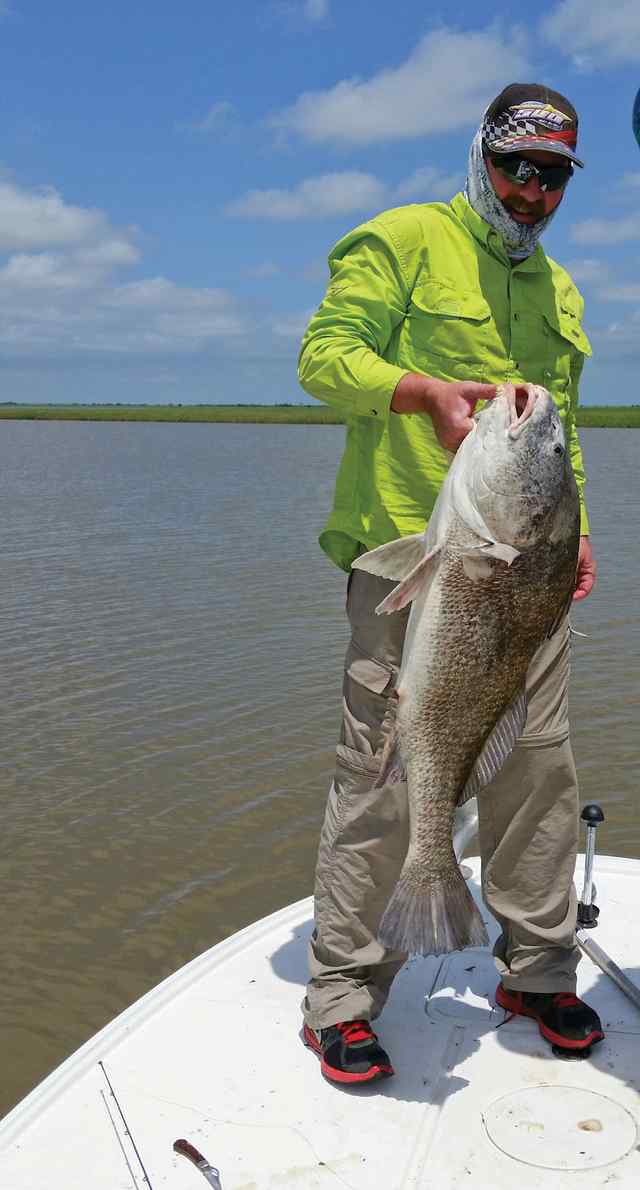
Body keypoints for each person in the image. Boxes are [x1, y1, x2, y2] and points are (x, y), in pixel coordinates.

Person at [297, 83, 604, 1085]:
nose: (531, 191)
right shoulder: (401, 239)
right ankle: (344, 988)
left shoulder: (557, 290)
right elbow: (323, 358)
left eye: (551, 175)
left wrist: (580, 530)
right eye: (517, 168)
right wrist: (420, 390)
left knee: (539, 769)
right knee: (387, 775)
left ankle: (538, 966)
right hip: (412, 553)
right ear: (480, 157)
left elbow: (558, 436)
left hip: (532, 564)